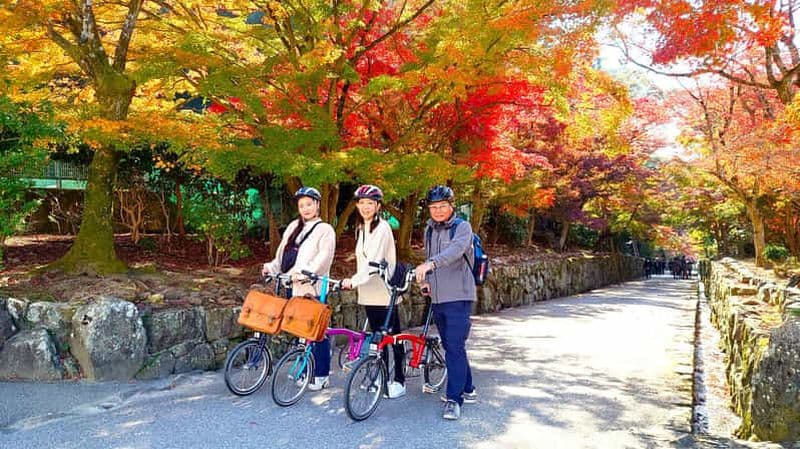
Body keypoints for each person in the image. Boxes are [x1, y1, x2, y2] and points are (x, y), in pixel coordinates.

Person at [262, 186, 336, 391]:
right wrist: (271, 267)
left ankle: (321, 374)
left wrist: (305, 274)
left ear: (317, 205)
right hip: (292, 287)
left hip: (311, 289)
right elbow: (282, 255)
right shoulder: (294, 226)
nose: (305, 208)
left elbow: (324, 259)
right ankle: (305, 369)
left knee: (316, 332)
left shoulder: (325, 230)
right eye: (302, 205)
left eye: (309, 204)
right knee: (299, 331)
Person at [414, 185, 477, 421]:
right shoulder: (429, 229)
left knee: (454, 345)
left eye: (443, 206)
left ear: (452, 206)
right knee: (452, 346)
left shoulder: (462, 227)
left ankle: (454, 399)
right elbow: (428, 257)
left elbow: (455, 252)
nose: (438, 211)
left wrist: (430, 265)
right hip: (438, 298)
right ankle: (468, 387)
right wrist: (425, 281)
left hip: (459, 296)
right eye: (434, 207)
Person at [341, 184, 406, 399]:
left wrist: (353, 281)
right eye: (362, 203)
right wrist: (357, 281)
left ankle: (400, 380)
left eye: (370, 203)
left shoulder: (383, 227)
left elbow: (374, 262)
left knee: (393, 338)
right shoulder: (362, 228)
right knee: (377, 338)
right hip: (368, 291)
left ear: (378, 206)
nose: (366, 206)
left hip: (385, 291)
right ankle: (380, 377)